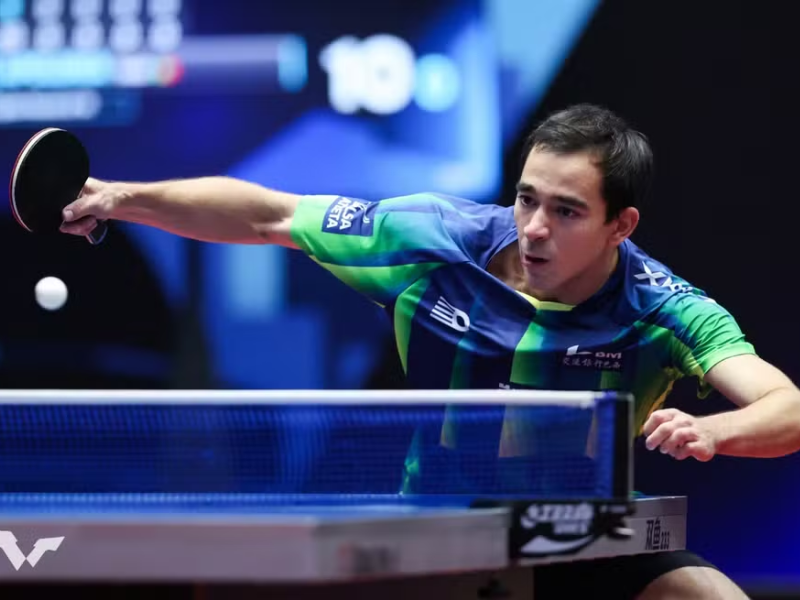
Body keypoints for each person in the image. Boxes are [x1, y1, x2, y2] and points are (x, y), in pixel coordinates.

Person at [60, 104, 800, 599]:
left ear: (621, 225)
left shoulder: (664, 308)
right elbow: (269, 215)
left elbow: (786, 407)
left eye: (567, 211)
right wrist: (121, 197)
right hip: (442, 533)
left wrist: (713, 430)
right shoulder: (433, 241)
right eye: (527, 198)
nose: (535, 228)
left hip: (584, 534)